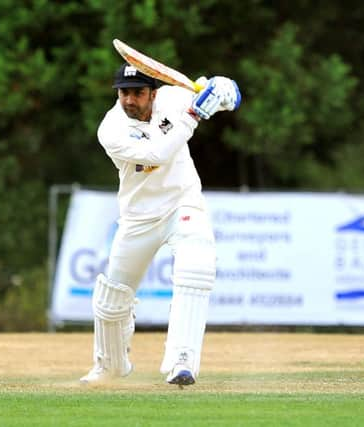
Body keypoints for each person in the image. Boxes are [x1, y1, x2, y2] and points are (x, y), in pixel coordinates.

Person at [79, 62, 241, 387]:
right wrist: (194, 115)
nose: (130, 100)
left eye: (138, 93)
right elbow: (156, 153)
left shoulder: (176, 98)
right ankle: (110, 367)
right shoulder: (111, 129)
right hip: (138, 217)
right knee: (113, 298)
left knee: (196, 263)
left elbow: (232, 98)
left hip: (182, 202)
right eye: (124, 93)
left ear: (153, 92)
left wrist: (221, 88)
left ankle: (182, 360)